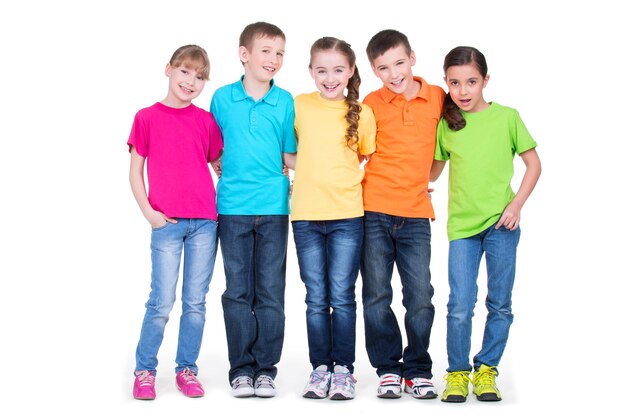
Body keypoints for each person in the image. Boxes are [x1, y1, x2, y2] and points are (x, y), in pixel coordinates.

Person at [430, 46, 542, 403]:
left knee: (500, 303)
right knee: (460, 303)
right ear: (446, 83)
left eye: (471, 82)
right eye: (454, 83)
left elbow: (534, 164)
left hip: (501, 226)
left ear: (485, 81)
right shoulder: (447, 125)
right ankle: (458, 373)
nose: (462, 91)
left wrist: (517, 205)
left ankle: (487, 369)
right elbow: (430, 170)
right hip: (462, 228)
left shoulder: (507, 117)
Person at [128, 45, 223, 400]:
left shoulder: (205, 121)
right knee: (161, 301)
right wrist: (149, 213)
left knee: (195, 302)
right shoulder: (146, 117)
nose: (191, 81)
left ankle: (186, 369)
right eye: (185, 72)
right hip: (165, 223)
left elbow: (219, 164)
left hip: (204, 222)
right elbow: (135, 172)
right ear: (169, 70)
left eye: (199, 77)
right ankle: (144, 370)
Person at [209, 21, 297, 399]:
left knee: (271, 291)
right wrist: (218, 161)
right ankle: (241, 369)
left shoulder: (286, 101)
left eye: (279, 53)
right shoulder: (222, 98)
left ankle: (265, 369)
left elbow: (288, 153)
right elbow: (213, 147)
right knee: (238, 291)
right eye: (266, 51)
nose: (273, 59)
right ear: (244, 54)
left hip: (275, 209)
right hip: (232, 209)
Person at [360, 29, 444, 400]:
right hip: (373, 210)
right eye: (383, 68)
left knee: (420, 296)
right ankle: (388, 369)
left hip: (415, 215)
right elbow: (355, 153)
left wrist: (425, 178)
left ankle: (418, 368)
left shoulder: (438, 98)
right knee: (377, 294)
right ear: (374, 70)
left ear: (412, 57)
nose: (393, 74)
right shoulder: (371, 103)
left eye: (398, 63)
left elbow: (444, 148)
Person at [291, 37, 376, 401]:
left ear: (351, 71)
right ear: (310, 71)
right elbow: (290, 153)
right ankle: (319, 368)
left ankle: (343, 370)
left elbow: (370, 159)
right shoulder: (298, 105)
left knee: (342, 296)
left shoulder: (363, 113)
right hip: (306, 215)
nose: (330, 78)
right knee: (315, 297)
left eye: (338, 70)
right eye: (321, 70)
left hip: (346, 215)